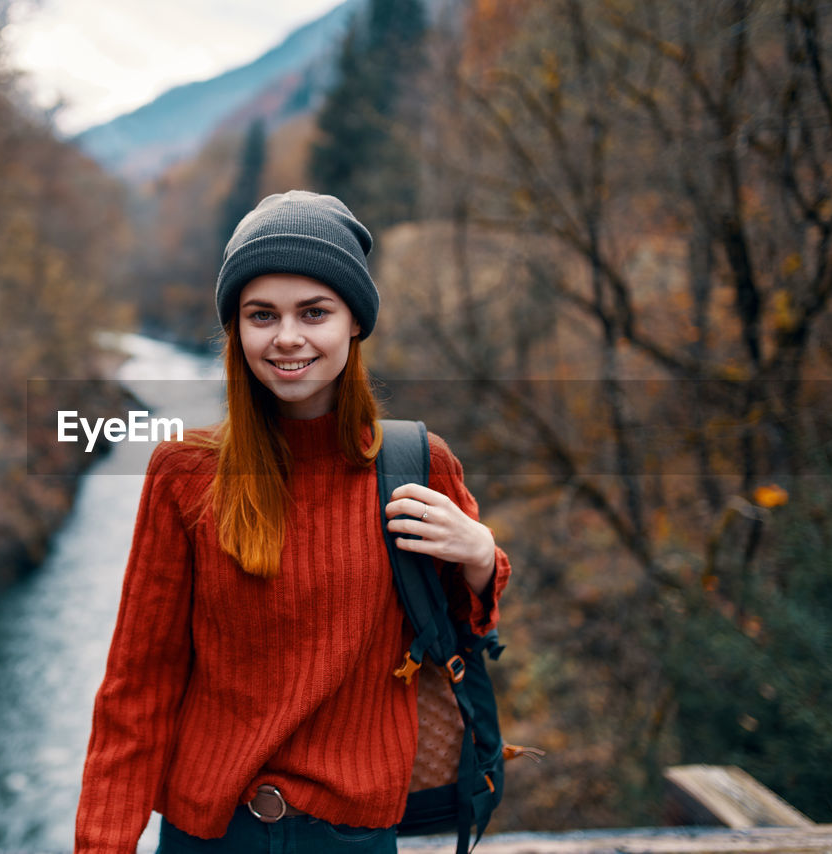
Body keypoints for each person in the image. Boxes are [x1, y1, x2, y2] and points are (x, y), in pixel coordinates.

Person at [75, 190, 511, 854]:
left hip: (355, 841)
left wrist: (482, 558)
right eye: (261, 315)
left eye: (314, 312)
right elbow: (138, 690)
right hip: (208, 838)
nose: (286, 337)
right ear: (235, 329)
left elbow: (461, 627)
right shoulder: (184, 474)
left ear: (354, 324)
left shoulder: (417, 465)